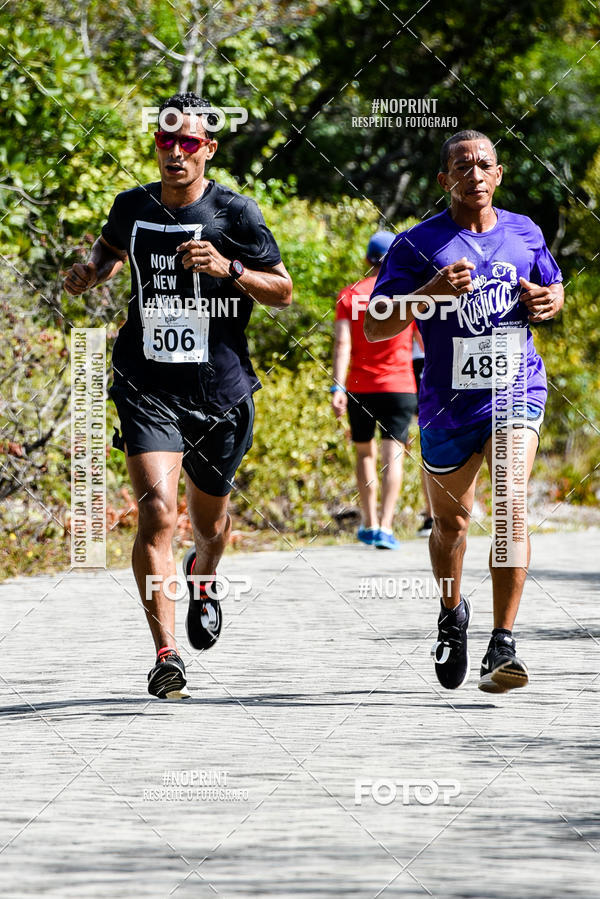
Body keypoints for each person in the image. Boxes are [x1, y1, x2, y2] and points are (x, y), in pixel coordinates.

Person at [64, 92, 292, 699]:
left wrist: (229, 270)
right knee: (159, 515)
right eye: (167, 141)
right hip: (147, 383)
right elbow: (111, 247)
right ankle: (166, 655)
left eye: (189, 143)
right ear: (157, 146)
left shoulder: (235, 214)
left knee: (210, 528)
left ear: (208, 150)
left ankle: (204, 576)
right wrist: (94, 272)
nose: (176, 152)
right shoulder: (131, 206)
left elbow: (284, 290)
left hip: (220, 391)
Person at [365, 130, 564, 693]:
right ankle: (452, 616)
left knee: (511, 503)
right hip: (447, 405)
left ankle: (503, 644)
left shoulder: (524, 231)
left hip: (515, 390)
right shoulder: (416, 243)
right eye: (462, 165)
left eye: (485, 164)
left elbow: (552, 289)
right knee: (451, 523)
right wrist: (427, 292)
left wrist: (552, 301)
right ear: (444, 179)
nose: (475, 173)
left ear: (498, 175)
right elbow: (378, 323)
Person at [332, 231, 417, 550]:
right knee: (393, 456)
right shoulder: (407, 294)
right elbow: (424, 344)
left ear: (367, 259)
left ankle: (367, 523)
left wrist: (337, 386)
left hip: (360, 386)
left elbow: (343, 343)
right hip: (400, 386)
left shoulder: (350, 295)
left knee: (364, 454)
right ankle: (386, 525)